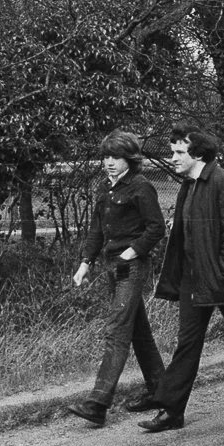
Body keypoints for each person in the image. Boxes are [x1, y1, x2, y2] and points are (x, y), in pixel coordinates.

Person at [137, 127, 224, 433]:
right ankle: (172, 410)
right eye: (172, 151)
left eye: (178, 152)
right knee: (187, 343)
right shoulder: (190, 184)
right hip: (194, 280)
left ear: (198, 154)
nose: (172, 158)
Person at [65, 131, 167, 427]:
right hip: (111, 266)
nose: (109, 163)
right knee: (138, 332)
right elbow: (97, 229)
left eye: (116, 157)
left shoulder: (141, 187)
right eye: (106, 157)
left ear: (129, 160)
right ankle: (161, 391)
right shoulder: (104, 188)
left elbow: (156, 228)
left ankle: (97, 403)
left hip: (131, 268)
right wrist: (85, 263)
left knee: (117, 330)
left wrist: (132, 253)